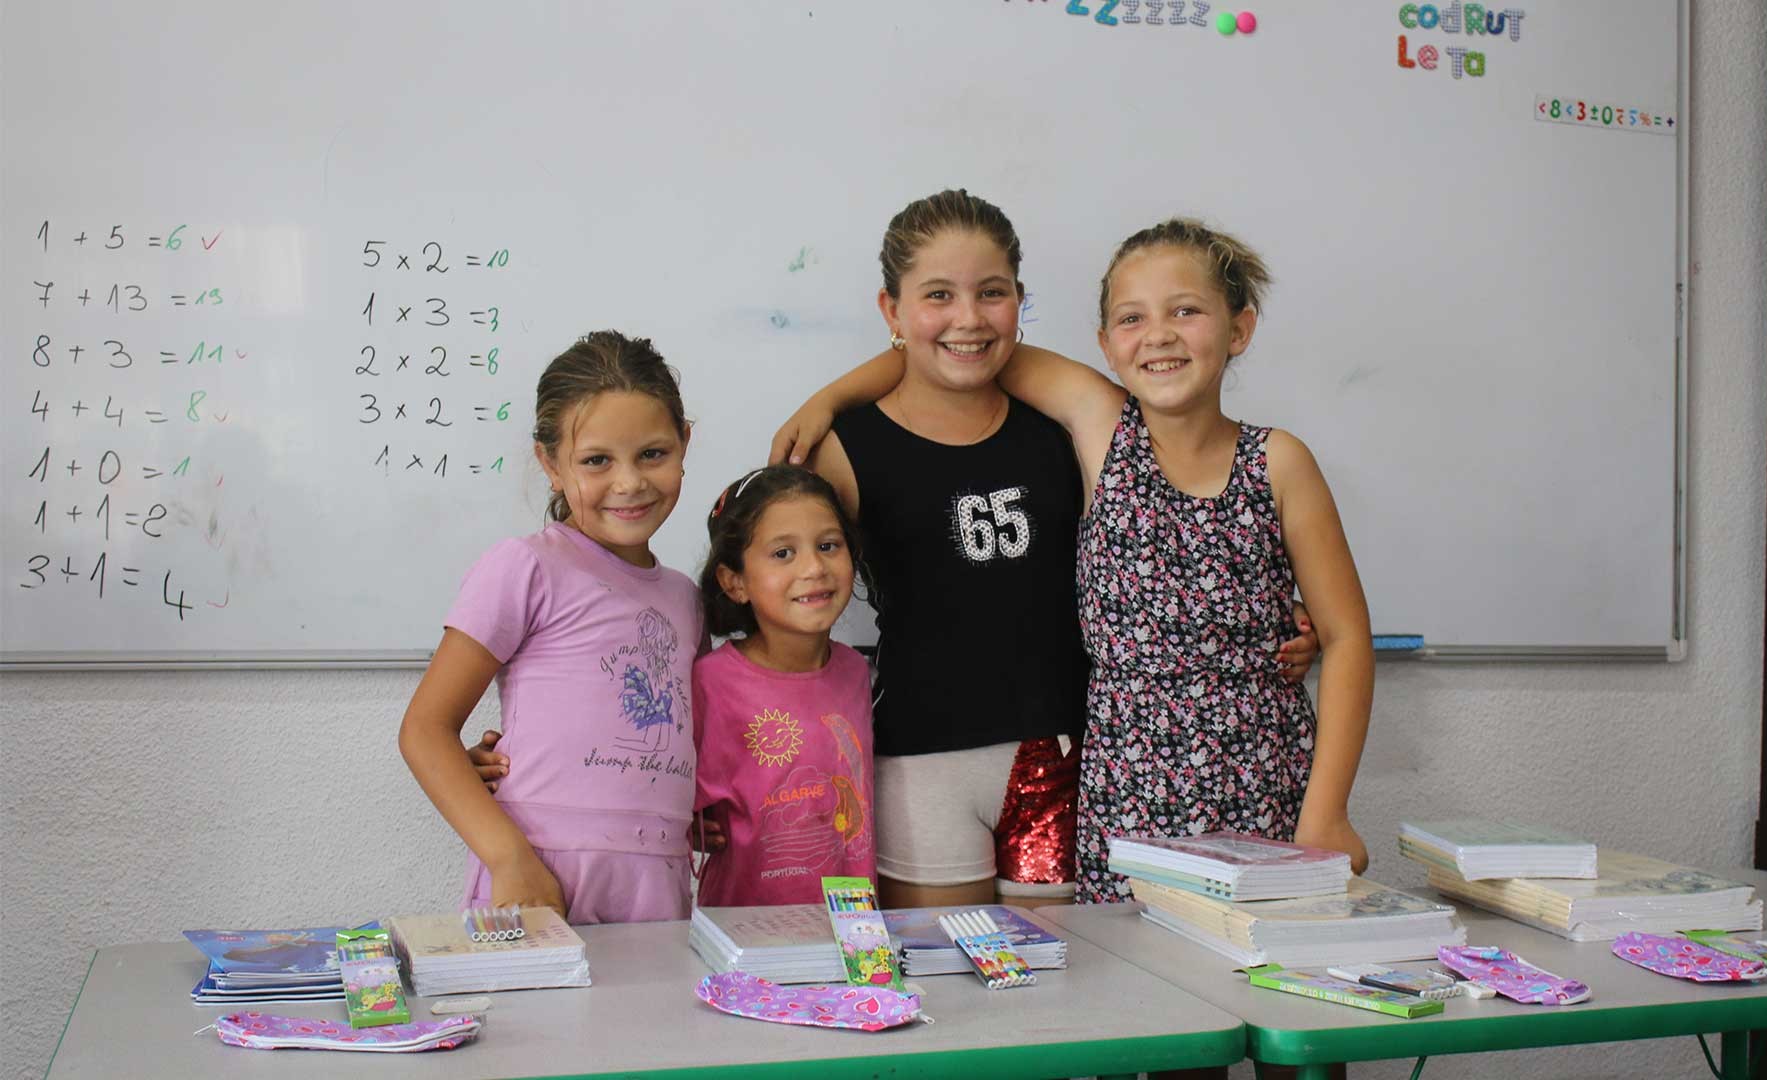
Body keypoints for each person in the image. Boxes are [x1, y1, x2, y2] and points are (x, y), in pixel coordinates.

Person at [775, 217, 1367, 904]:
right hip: (1124, 796)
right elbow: (951, 349)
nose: (1161, 334)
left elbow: (1349, 634)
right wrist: (831, 398)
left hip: (1264, 779)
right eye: (1133, 318)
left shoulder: (1279, 460)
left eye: (1186, 311)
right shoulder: (1102, 426)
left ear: (1239, 329)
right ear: (1106, 345)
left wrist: (1327, 812)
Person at [398, 330, 700, 924]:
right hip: (540, 874)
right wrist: (510, 860)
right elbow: (424, 729)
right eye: (596, 460)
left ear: (685, 443)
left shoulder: (686, 600)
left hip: (659, 881)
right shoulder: (527, 565)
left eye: (653, 454)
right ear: (550, 464)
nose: (629, 482)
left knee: (654, 1020)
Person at [690, 465, 878, 906]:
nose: (814, 567)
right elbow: (660, 796)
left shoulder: (854, 672)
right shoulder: (709, 683)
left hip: (852, 935)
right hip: (746, 938)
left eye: (828, 546)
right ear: (734, 581)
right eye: (783, 554)